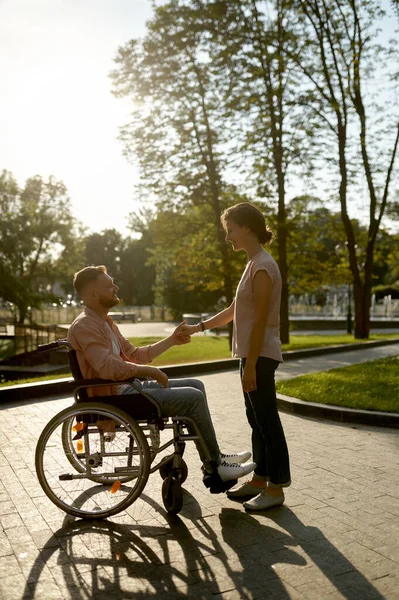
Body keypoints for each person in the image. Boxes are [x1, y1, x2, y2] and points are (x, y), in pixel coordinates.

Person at [67, 265, 256, 488]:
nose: (116, 287)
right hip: (114, 397)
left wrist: (172, 340)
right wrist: (150, 372)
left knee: (196, 385)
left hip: (126, 389)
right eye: (109, 285)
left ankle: (213, 461)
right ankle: (215, 465)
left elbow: (135, 355)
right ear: (94, 294)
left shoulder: (104, 322)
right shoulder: (85, 325)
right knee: (191, 398)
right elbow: (108, 368)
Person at [181, 202, 291, 510]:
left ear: (246, 228)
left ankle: (276, 488)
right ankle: (259, 480)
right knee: (256, 421)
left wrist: (252, 365)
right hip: (251, 355)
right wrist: (199, 327)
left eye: (230, 230)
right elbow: (234, 311)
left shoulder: (263, 266)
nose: (228, 236)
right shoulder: (252, 263)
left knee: (268, 422)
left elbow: (258, 321)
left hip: (261, 355)